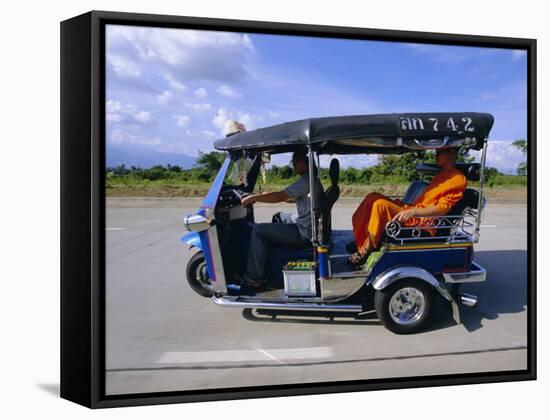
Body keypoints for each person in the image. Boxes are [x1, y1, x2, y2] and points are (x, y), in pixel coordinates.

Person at [348, 147, 467, 266]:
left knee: (380, 205)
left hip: (422, 220)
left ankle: (364, 251)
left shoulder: (458, 179)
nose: (436, 155)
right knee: (372, 197)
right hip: (413, 209)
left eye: (439, 152)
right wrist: (411, 209)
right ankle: (361, 239)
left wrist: (414, 212)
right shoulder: (440, 175)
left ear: (452, 153)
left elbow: (442, 209)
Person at [240, 150, 324, 290]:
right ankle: (271, 258)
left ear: (305, 162)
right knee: (278, 216)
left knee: (258, 231)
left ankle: (254, 278)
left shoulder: (306, 180)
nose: (294, 165)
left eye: (296, 161)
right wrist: (273, 196)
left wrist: (254, 198)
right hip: (309, 224)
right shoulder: (311, 179)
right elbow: (291, 197)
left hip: (304, 232)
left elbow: (279, 196)